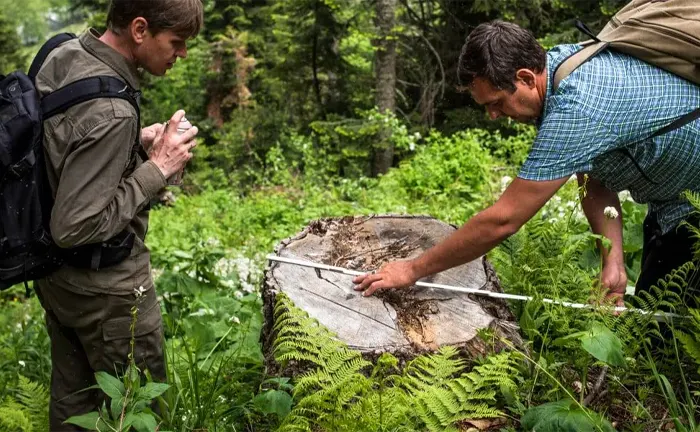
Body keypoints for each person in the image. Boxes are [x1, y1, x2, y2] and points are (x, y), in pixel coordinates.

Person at [353, 20, 700, 311]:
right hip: (675, 207)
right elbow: (594, 180)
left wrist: (412, 269)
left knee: (667, 339)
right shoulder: (565, 67)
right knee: (657, 324)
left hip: (692, 209)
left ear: (525, 77)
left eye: (496, 102)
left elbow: (503, 220)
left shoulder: (577, 108)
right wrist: (612, 259)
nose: (492, 115)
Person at [33, 0, 203, 428]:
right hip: (106, 292)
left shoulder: (64, 53)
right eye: (177, 42)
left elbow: (63, 157)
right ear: (140, 29)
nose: (181, 54)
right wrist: (158, 169)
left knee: (73, 407)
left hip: (56, 279)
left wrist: (131, 151)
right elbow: (75, 226)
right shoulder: (112, 111)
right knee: (137, 410)